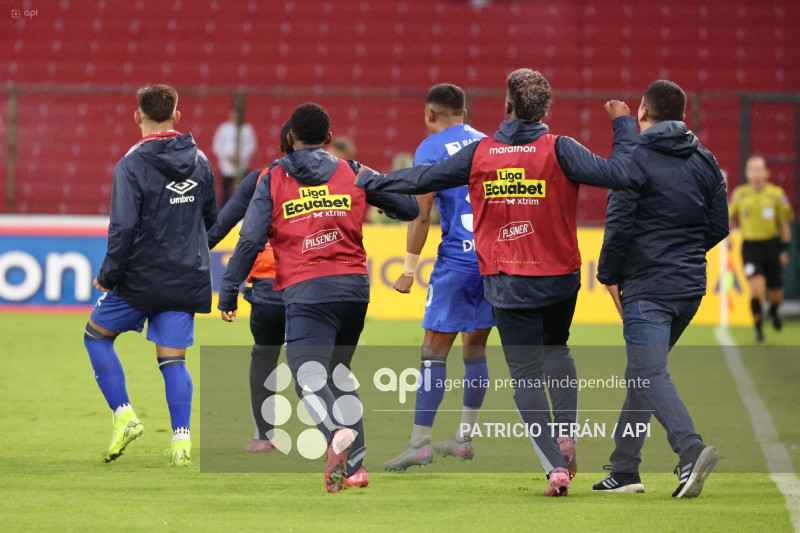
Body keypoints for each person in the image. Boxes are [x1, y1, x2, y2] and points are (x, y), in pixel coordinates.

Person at [357, 68, 638, 496]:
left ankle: (554, 469)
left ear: (506, 107)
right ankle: (565, 435)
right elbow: (622, 174)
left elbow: (422, 181)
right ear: (545, 109)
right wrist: (622, 124)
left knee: (524, 375)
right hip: (560, 276)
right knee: (557, 350)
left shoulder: (481, 152)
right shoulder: (562, 148)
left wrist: (369, 181)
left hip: (508, 281)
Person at [218, 103, 419, 492]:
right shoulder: (354, 171)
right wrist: (369, 194)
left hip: (308, 292)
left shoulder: (272, 177)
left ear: (290, 139)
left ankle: (335, 433)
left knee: (308, 377)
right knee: (338, 375)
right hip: (355, 292)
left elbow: (250, 239)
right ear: (329, 139)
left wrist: (228, 289)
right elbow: (409, 206)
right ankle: (358, 468)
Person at [594, 80, 728, 498]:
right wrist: (685, 254)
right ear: (682, 115)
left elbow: (618, 224)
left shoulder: (635, 157)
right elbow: (719, 225)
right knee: (641, 375)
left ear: (642, 114)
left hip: (648, 287)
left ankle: (690, 450)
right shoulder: (705, 158)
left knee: (650, 373)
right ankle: (625, 469)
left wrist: (609, 276)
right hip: (689, 288)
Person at [83, 84, 217, 466]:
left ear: (137, 115)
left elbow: (122, 227)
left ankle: (125, 415)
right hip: (185, 278)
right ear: (177, 115)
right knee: (173, 361)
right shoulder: (201, 161)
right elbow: (211, 221)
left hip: (139, 280)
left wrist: (108, 275)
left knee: (96, 335)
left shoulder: (131, 164)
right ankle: (181, 444)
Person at [383, 83, 495, 473]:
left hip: (456, 265)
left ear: (430, 115)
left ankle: (419, 444)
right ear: (464, 112)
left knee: (433, 352)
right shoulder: (490, 144)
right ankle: (464, 438)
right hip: (491, 262)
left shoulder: (430, 148)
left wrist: (409, 270)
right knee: (475, 351)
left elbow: (422, 211)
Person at [206, 120, 292, 454]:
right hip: (317, 286)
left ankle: (265, 435)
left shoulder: (260, 178)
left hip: (267, 289)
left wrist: (186, 254)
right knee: (319, 362)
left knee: (264, 357)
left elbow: (222, 227)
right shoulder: (337, 176)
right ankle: (338, 433)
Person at [729, 154, 794, 343]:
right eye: (752, 169)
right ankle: (758, 326)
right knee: (756, 288)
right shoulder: (740, 194)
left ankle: (773, 310)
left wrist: (784, 249)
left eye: (759, 169)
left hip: (772, 246)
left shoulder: (776, 195)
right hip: (751, 247)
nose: (756, 174)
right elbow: (729, 214)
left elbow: (784, 224)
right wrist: (729, 235)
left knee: (776, 294)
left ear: (767, 172)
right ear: (747, 172)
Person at [213, 100, 257, 206]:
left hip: (242, 166)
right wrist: (228, 158)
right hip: (226, 167)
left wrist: (240, 158)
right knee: (226, 193)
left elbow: (251, 146)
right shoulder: (224, 128)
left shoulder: (247, 129)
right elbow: (217, 145)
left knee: (243, 192)